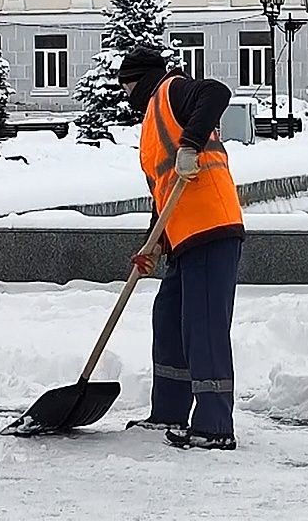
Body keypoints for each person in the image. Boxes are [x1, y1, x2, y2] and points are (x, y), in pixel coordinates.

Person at [118, 46, 244, 451]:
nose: (127, 96)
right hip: (182, 236)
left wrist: (191, 145)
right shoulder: (151, 122)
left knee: (202, 327)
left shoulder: (171, 90)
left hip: (211, 226)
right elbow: (164, 191)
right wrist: (154, 244)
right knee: (169, 319)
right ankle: (169, 411)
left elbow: (217, 92)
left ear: (141, 80)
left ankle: (214, 424)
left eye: (128, 87)